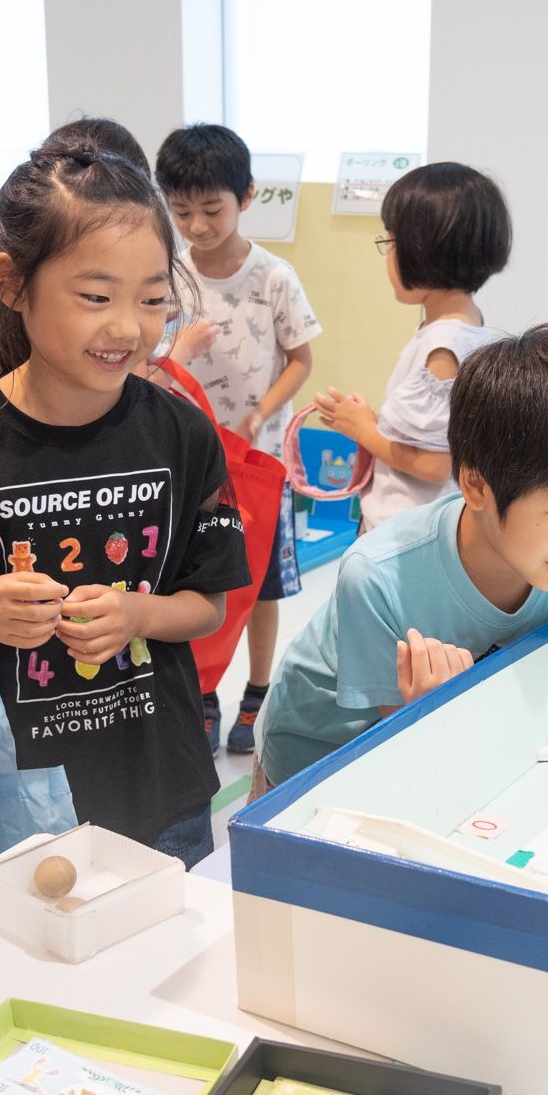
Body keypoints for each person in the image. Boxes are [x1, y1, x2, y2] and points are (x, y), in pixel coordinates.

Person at [0, 143, 251, 867]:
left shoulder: (182, 433)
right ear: (12, 284)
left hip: (160, 785)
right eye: (96, 297)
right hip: (15, 799)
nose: (128, 328)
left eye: (152, 299)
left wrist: (138, 614)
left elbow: (206, 603)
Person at [255, 324, 548, 792]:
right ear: (476, 485)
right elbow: (409, 746)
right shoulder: (379, 576)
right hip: (318, 760)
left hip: (454, 749)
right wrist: (432, 707)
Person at [155, 123, 322, 756]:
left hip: (258, 463)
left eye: (211, 209)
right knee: (196, 579)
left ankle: (257, 690)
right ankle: (202, 693)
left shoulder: (274, 277)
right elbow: (150, 362)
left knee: (261, 587)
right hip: (192, 464)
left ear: (246, 196)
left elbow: (301, 360)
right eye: (181, 212)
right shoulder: (171, 277)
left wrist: (261, 414)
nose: (197, 225)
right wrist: (178, 346)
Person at [313, 162, 510, 532]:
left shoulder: (443, 345)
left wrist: (362, 430)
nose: (388, 255)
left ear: (425, 250)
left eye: (391, 243)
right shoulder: (468, 328)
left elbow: (434, 464)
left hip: (403, 532)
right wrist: (374, 422)